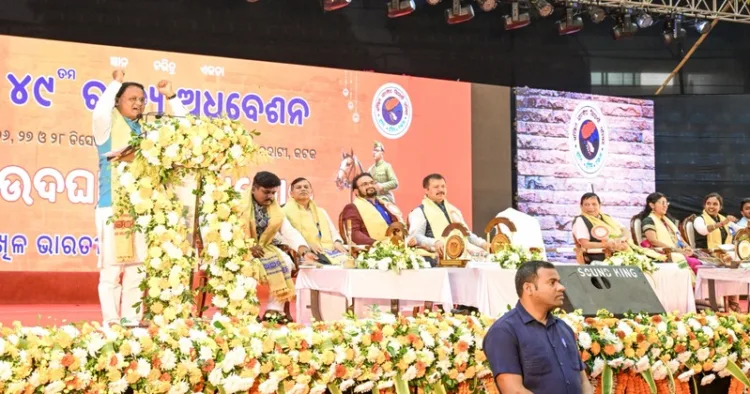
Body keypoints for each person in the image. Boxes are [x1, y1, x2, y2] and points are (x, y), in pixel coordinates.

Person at [93, 69, 187, 326]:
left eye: (142, 99)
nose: (138, 103)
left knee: (138, 268)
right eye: (132, 98)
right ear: (117, 101)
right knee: (112, 270)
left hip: (143, 208)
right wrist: (115, 83)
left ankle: (131, 320)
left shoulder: (148, 127)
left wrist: (171, 96)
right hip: (112, 206)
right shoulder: (106, 125)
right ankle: (111, 320)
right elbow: (100, 110)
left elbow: (184, 129)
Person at [483, 261, 594, 394]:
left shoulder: (564, 329)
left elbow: (583, 381)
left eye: (559, 282)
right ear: (528, 288)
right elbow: (514, 390)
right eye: (552, 282)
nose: (561, 287)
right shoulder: (504, 331)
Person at [246, 171, 317, 322]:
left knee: (285, 261)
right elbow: (230, 230)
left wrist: (303, 250)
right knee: (249, 269)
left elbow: (288, 231)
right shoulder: (239, 205)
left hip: (264, 247)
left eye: (273, 193)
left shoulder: (275, 209)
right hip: (240, 248)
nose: (270, 197)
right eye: (266, 192)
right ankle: (247, 311)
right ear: (254, 189)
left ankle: (274, 310)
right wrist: (247, 246)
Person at [407, 173, 489, 256]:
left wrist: (483, 244)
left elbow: (466, 234)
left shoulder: (453, 211)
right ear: (426, 190)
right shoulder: (419, 212)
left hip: (459, 254)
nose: (441, 190)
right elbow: (416, 236)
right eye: (436, 187)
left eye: (443, 186)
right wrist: (435, 242)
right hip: (436, 257)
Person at [572, 193, 664, 264]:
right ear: (581, 206)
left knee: (655, 260)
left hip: (622, 248)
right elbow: (585, 244)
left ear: (600, 205)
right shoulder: (581, 220)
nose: (590, 208)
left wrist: (622, 239)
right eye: (586, 205)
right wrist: (607, 244)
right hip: (603, 254)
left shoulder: (605, 217)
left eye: (594, 204)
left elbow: (624, 230)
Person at [283, 177, 349, 265]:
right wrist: (305, 245)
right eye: (298, 187)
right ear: (291, 193)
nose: (303, 189)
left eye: (306, 187)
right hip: (306, 252)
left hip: (329, 249)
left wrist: (337, 242)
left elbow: (333, 231)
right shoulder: (285, 211)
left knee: (350, 262)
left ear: (311, 191)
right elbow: (286, 235)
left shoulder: (321, 211)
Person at [637, 192, 701, 273]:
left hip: (677, 253)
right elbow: (653, 241)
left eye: (666, 203)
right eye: (662, 203)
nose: (665, 206)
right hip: (664, 255)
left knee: (698, 263)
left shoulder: (667, 221)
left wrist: (687, 247)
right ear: (652, 205)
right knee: (693, 264)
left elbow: (678, 238)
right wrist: (674, 249)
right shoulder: (648, 220)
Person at [339, 172, 402, 246]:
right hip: (374, 250)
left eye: (372, 183)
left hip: (396, 245)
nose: (370, 185)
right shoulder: (352, 208)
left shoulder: (384, 204)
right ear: (356, 192)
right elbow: (354, 233)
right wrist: (376, 244)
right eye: (365, 184)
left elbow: (397, 224)